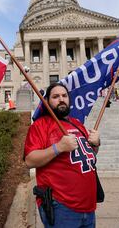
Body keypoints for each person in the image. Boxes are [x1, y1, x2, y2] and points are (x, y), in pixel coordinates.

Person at [24, 82, 101, 227]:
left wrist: (96, 144)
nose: (61, 99)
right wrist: (58, 147)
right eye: (55, 96)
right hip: (61, 206)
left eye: (64, 96)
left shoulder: (78, 123)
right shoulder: (40, 126)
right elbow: (29, 160)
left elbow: (88, 155)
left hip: (89, 206)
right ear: (47, 101)